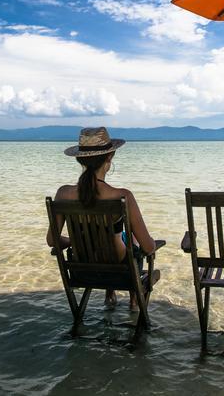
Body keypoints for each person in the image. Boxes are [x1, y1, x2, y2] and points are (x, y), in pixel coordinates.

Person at [46, 126, 156, 309]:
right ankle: (134, 301)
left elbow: (52, 240)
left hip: (83, 268)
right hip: (119, 267)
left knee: (115, 238)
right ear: (110, 157)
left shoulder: (63, 193)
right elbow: (148, 247)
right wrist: (153, 245)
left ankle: (110, 295)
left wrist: (75, 241)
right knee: (133, 240)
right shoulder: (122, 196)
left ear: (79, 159)